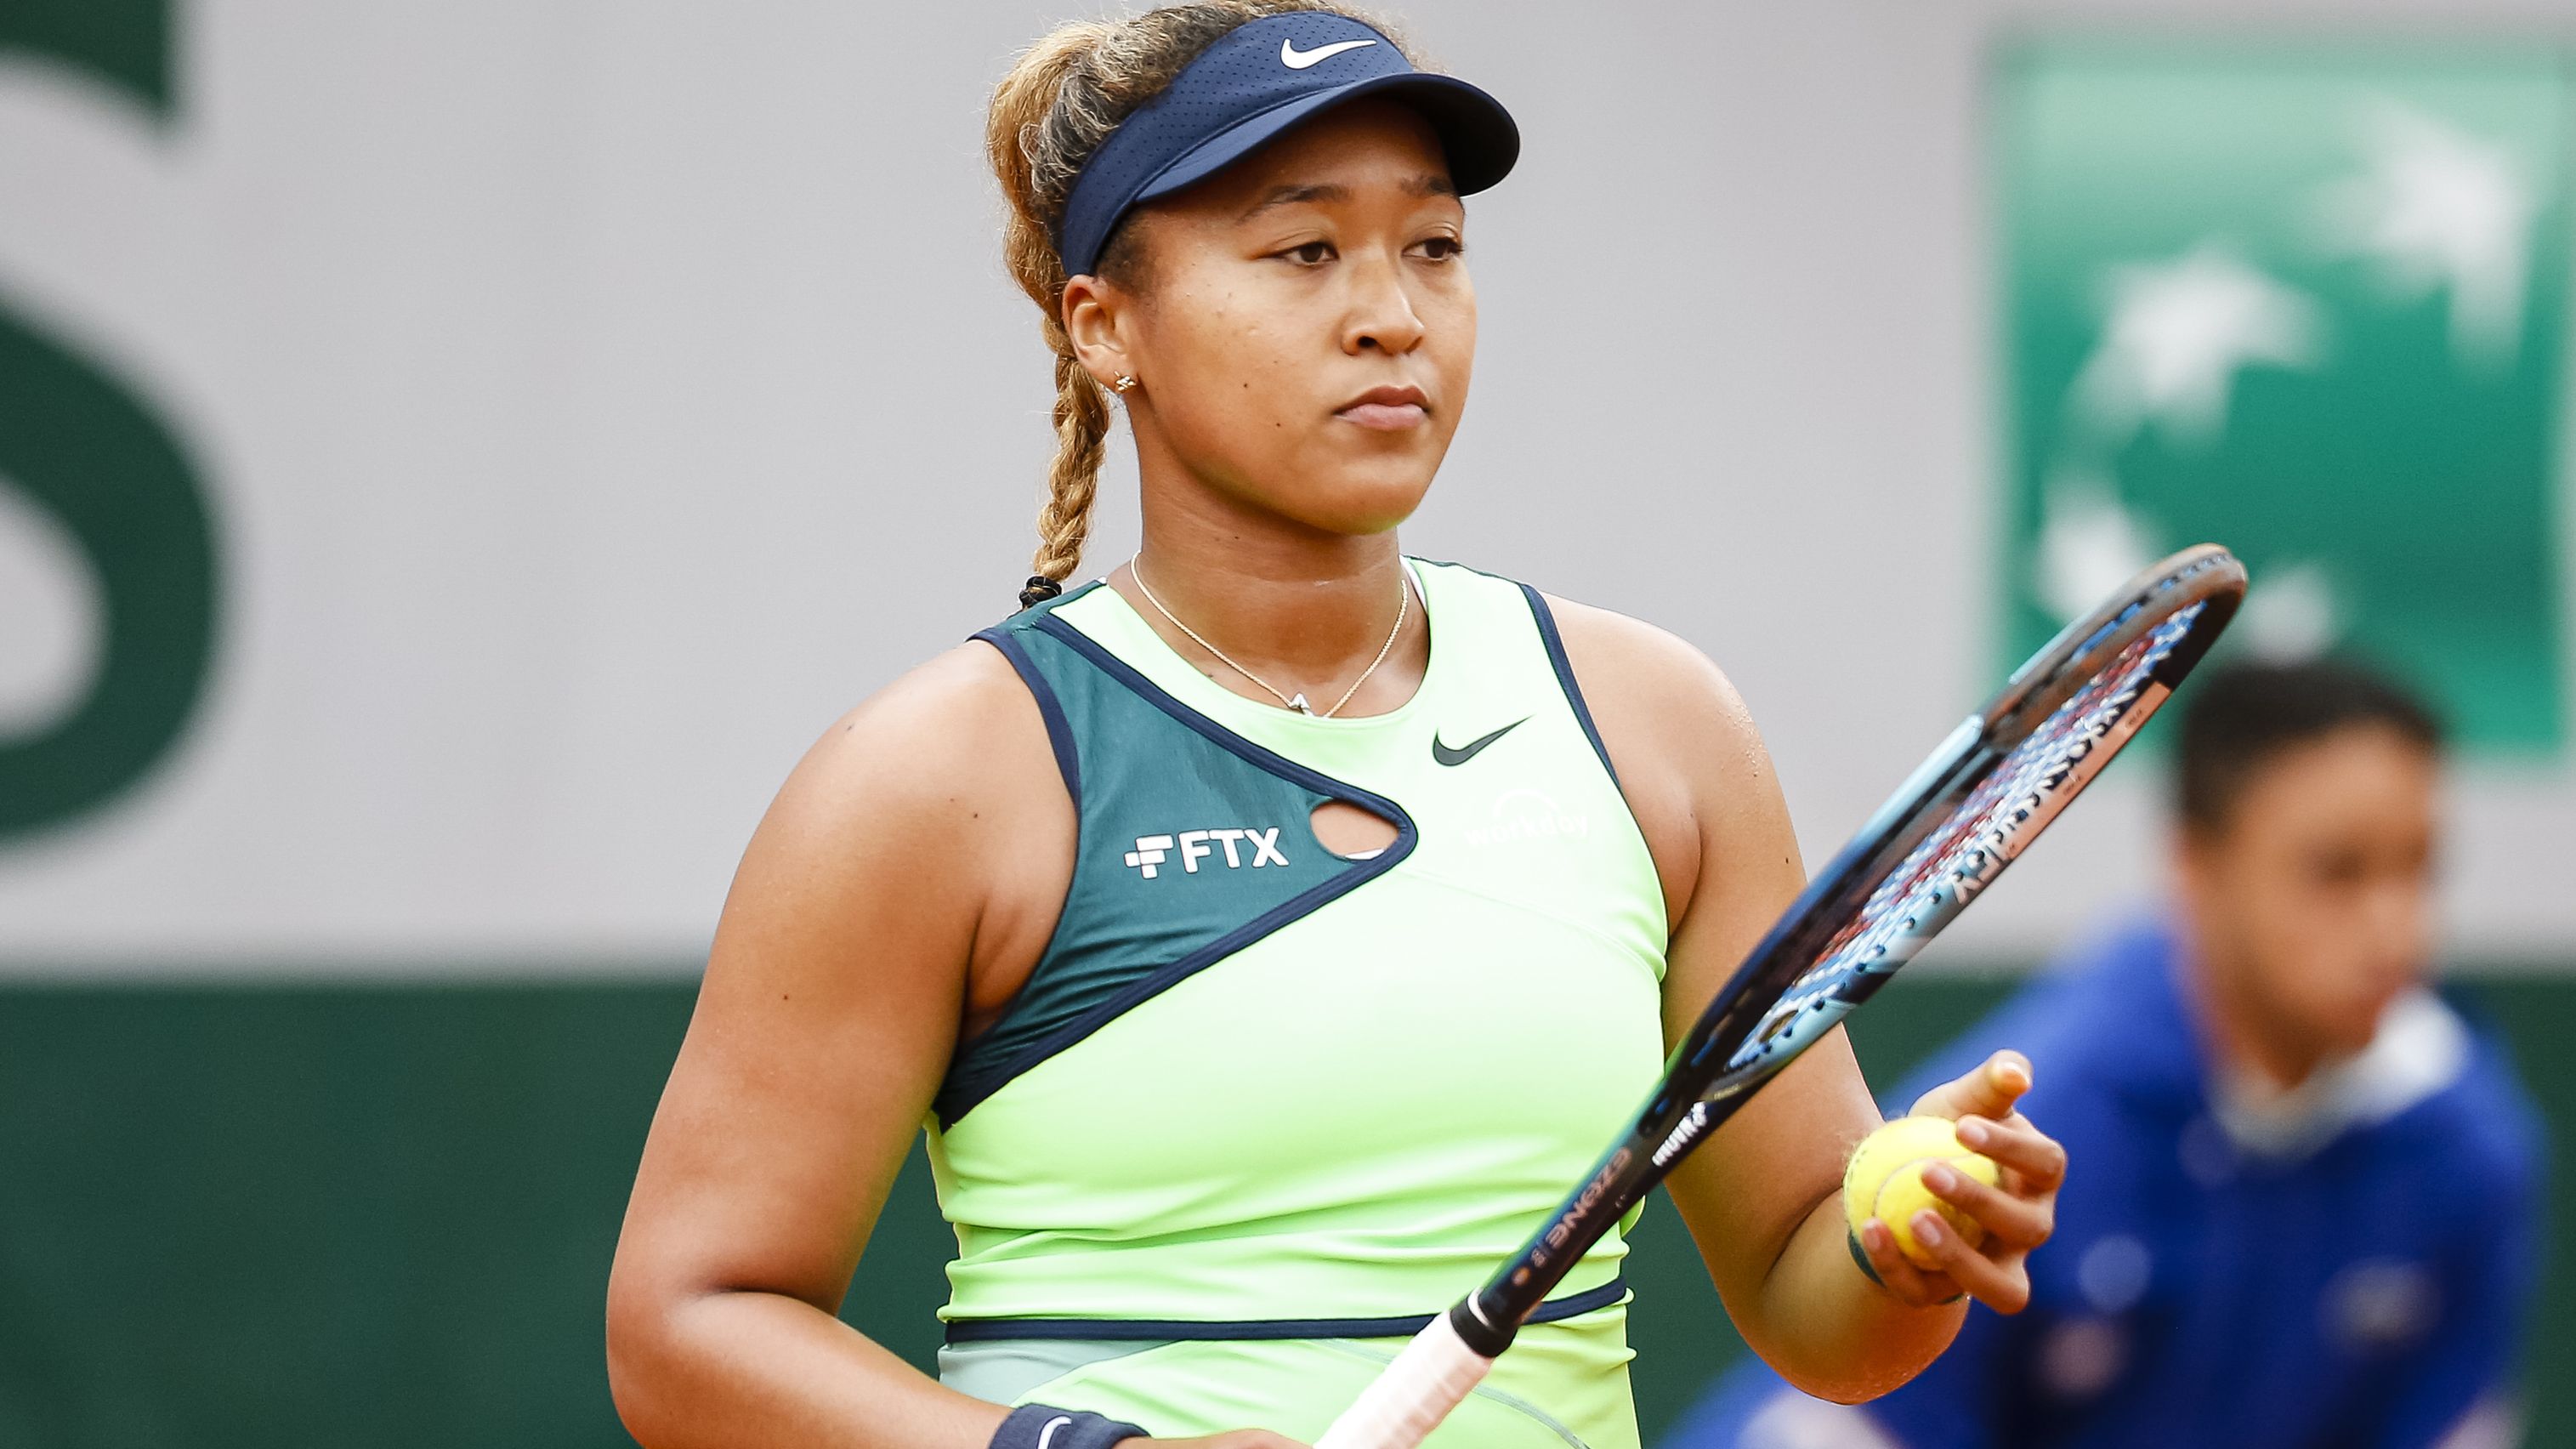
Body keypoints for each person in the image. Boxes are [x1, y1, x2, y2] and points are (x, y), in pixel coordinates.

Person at [603, 7, 2067, 1447]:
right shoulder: (941, 775)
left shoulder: (1656, 723)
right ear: (1107, 326)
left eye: (1432, 245)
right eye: (1305, 250)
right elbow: (687, 1331)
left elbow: (1821, 1314)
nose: (1393, 313)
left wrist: (1902, 1240)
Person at [1668, 658, 2546, 1449]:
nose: (2395, 928)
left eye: (2419, 868)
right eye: (2337, 871)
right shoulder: (2052, 1116)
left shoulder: (2471, 1150)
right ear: (2194, 864)